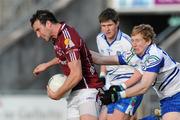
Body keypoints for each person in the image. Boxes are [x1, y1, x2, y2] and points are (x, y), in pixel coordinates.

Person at [90, 24, 180, 120]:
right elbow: (102, 59)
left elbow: (144, 86)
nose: (134, 44)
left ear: (148, 41)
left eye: (137, 40)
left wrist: (118, 95)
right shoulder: (135, 55)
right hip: (167, 98)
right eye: (132, 40)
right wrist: (81, 49)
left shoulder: (154, 56)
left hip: (176, 93)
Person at [30, 10, 104, 120]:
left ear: (48, 24)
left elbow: (76, 75)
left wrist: (57, 94)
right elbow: (65, 56)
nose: (37, 35)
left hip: (87, 90)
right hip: (73, 93)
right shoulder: (57, 38)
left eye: (38, 29)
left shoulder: (67, 37)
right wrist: (47, 64)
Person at [96, 8, 143, 120]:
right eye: (103, 26)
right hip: (111, 86)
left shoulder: (128, 43)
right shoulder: (100, 38)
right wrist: (102, 75)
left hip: (130, 86)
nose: (106, 29)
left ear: (117, 23)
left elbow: (140, 72)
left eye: (110, 25)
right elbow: (103, 59)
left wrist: (122, 86)